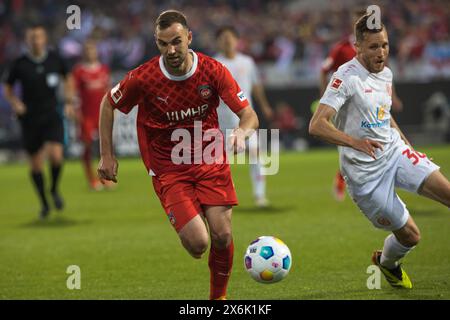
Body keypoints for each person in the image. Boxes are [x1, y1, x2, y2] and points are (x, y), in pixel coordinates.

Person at [97, 10, 258, 300]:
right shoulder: (144, 78)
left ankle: (217, 299)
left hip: (210, 159)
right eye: (162, 44)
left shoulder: (213, 70)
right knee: (198, 244)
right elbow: (107, 104)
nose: (170, 50)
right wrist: (106, 155)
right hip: (169, 168)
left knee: (222, 235)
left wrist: (241, 133)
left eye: (176, 41)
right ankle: (190, 227)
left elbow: (248, 115)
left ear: (189, 38)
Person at [309, 14, 450, 289]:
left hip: (393, 152)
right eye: (374, 47)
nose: (381, 52)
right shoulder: (345, 78)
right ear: (358, 47)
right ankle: (386, 263)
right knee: (411, 236)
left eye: (385, 45)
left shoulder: (386, 73)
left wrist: (407, 144)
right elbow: (316, 125)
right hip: (365, 177)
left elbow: (384, 116)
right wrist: (354, 141)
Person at [319, 9, 403, 201]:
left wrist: (394, 96)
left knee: (376, 142)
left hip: (369, 100)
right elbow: (324, 70)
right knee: (351, 143)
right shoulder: (341, 48)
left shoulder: (376, 46)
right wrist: (327, 98)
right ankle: (345, 180)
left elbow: (383, 74)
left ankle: (386, 185)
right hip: (346, 101)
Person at [3, 24, 75, 219]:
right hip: (30, 118)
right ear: (28, 40)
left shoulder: (55, 59)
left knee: (57, 156)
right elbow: (8, 87)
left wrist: (69, 101)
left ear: (45, 39)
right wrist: (16, 103)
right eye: (32, 37)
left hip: (52, 114)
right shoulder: (20, 63)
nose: (36, 41)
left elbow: (68, 77)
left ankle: (54, 189)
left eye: (39, 37)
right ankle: (44, 202)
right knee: (36, 165)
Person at [215, 26, 273, 208]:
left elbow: (255, 85)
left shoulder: (247, 62)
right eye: (223, 38)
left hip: (245, 120)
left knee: (255, 154)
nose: (227, 41)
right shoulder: (214, 63)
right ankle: (221, 197)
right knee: (221, 163)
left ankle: (259, 194)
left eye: (230, 37)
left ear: (237, 40)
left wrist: (264, 106)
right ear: (218, 42)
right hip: (222, 121)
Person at [73, 40, 111, 191]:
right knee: (88, 147)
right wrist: (75, 111)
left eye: (92, 50)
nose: (90, 53)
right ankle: (91, 179)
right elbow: (74, 92)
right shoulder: (79, 71)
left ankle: (106, 178)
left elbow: (108, 90)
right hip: (86, 115)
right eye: (87, 50)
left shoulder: (103, 69)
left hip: (102, 115)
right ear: (84, 53)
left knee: (105, 148)